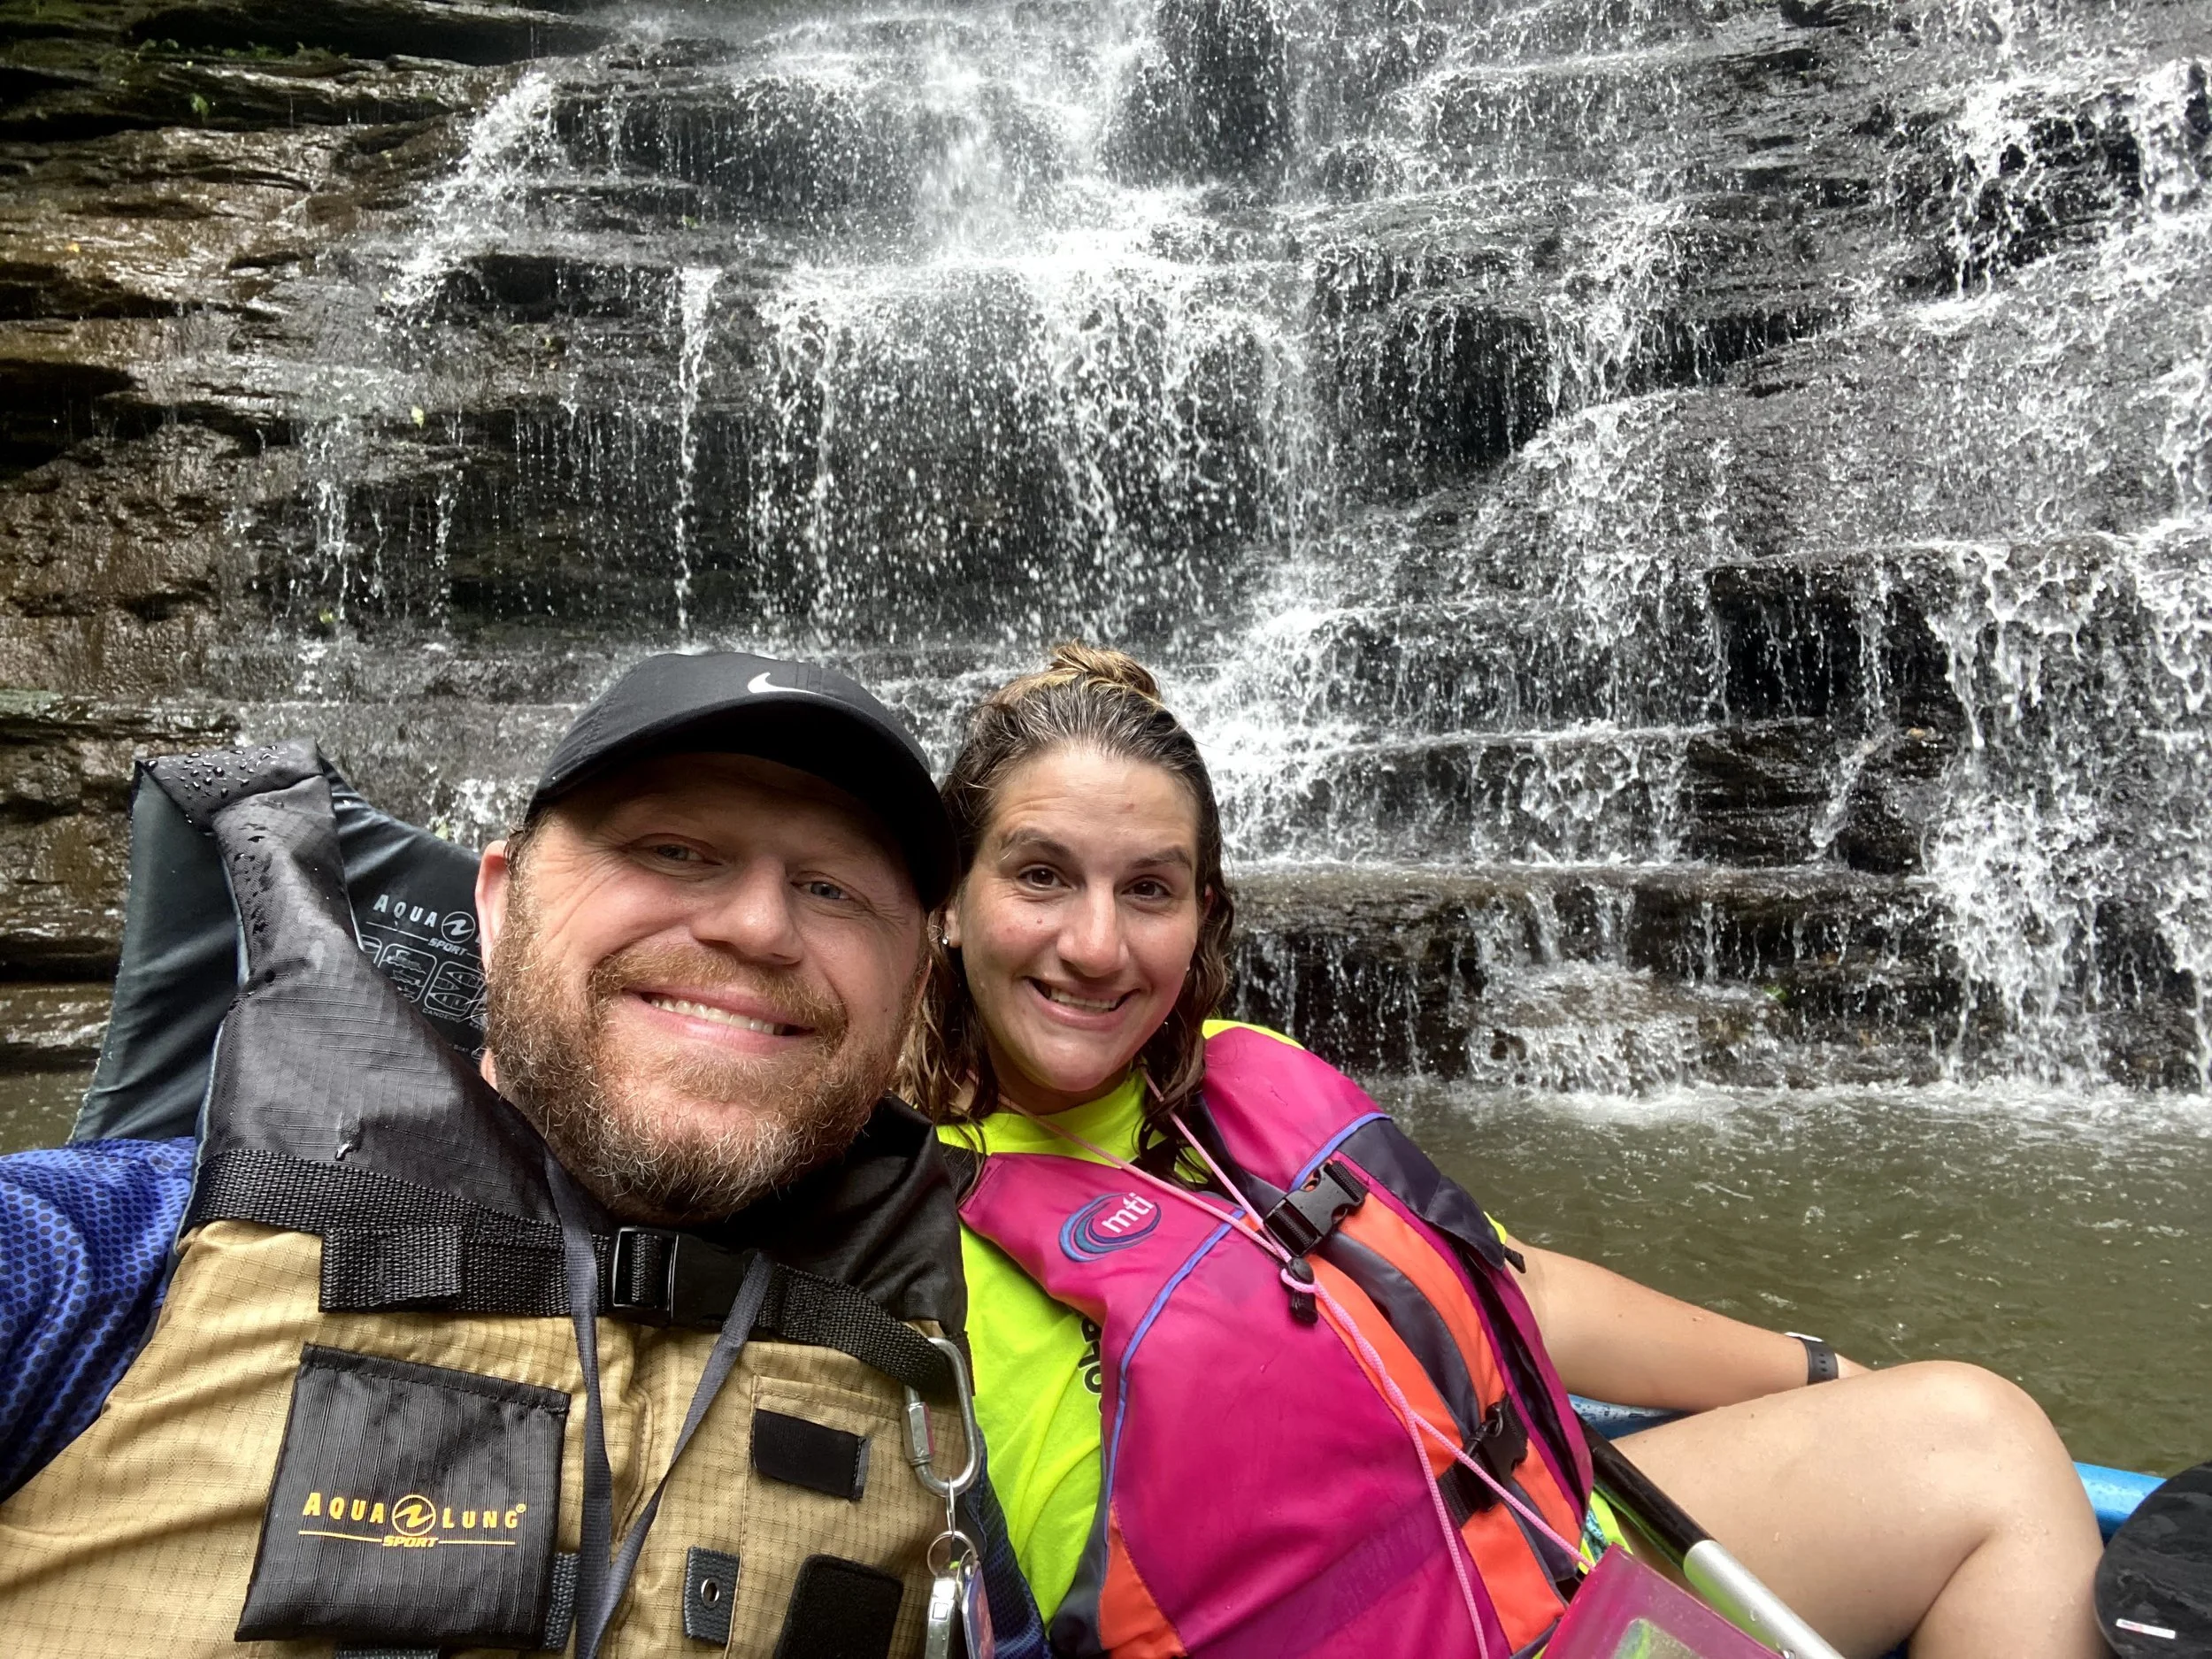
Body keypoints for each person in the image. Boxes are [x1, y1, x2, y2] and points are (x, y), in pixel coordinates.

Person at [900, 642, 2109, 1659]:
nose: (1096, 944)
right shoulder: (886, 1217)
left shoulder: (1249, 1069)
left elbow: (1501, 1283)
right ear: (945, 898)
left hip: (1540, 1567)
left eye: (1149, 889)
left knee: (1981, 1439)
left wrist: (1815, 1367)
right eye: (1042, 876)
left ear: (1203, 913)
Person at [0, 650, 1038, 1659]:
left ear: (912, 990)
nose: (759, 925)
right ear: (497, 906)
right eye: (674, 850)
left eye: (833, 889)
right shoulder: (94, 1257)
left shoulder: (922, 1412)